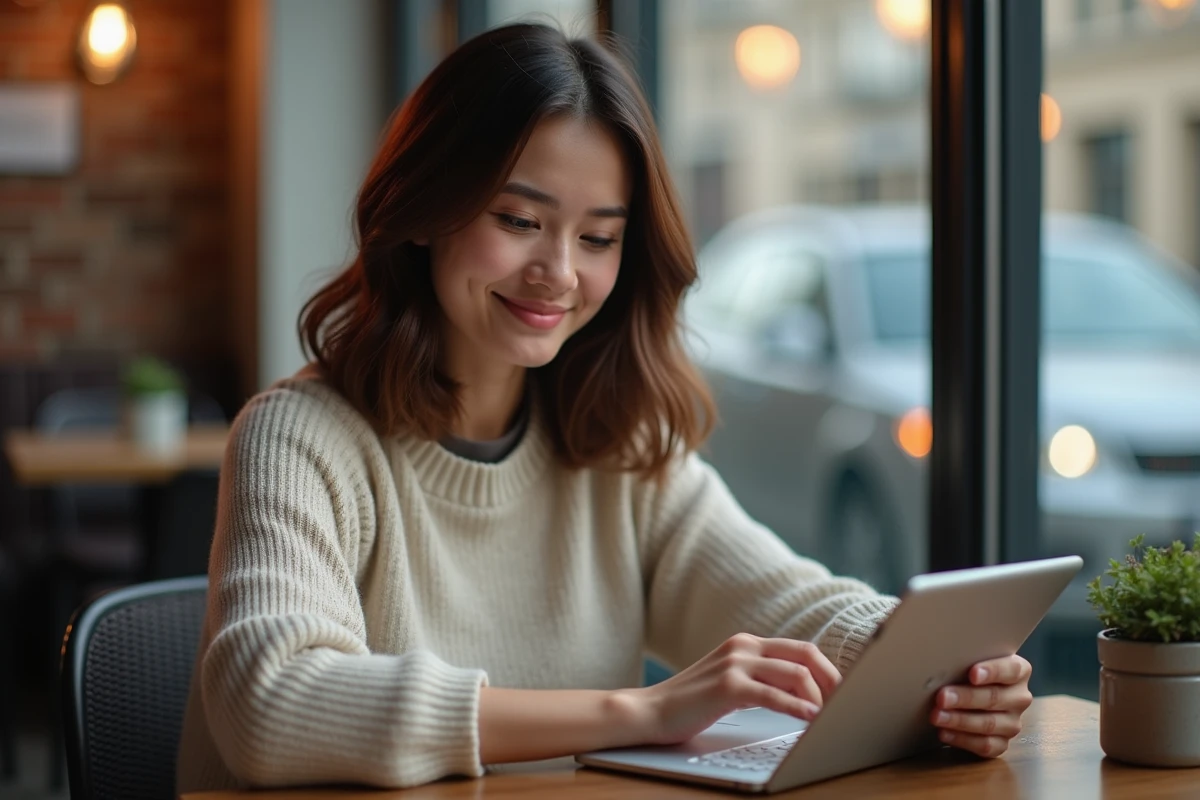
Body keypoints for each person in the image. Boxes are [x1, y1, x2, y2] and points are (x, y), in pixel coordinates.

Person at [176, 23, 1033, 793]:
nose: (558, 272)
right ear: (427, 208)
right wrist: (641, 713)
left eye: (598, 238)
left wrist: (941, 670)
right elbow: (271, 706)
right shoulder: (300, 439)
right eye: (519, 219)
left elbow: (786, 603)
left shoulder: (612, 442)